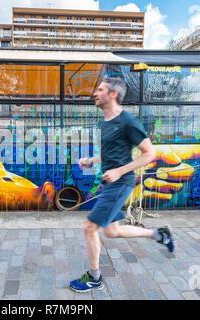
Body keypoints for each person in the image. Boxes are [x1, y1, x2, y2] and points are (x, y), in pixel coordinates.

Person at [69, 77, 175, 293]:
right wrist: (92, 161)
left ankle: (94, 277)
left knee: (89, 227)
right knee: (112, 231)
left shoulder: (127, 121)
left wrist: (119, 171)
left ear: (112, 94)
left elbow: (149, 153)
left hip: (121, 182)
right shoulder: (106, 121)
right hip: (111, 183)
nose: (95, 93)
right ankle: (159, 234)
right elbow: (111, 153)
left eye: (100, 89)